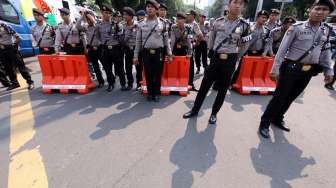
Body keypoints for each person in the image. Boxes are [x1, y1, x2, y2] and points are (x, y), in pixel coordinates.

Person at [258, 0, 335, 139]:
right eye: (317, 8)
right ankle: (265, 123)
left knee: (292, 96)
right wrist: (275, 69)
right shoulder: (296, 27)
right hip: (291, 68)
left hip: (308, 71)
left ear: (328, 13)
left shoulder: (327, 30)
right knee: (279, 97)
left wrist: (329, 70)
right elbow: (282, 50)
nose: (319, 12)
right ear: (311, 9)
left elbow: (326, 52)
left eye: (324, 9)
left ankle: (278, 118)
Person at [183, 0, 251, 124]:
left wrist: (236, 56)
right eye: (235, 2)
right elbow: (211, 38)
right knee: (204, 86)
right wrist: (211, 51)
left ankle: (214, 114)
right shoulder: (218, 22)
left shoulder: (245, 26)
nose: (237, 5)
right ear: (229, 4)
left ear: (243, 7)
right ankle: (195, 110)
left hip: (230, 61)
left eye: (241, 4)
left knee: (223, 89)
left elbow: (245, 44)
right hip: (216, 59)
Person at [133, 0, 173, 102]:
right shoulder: (141, 24)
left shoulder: (163, 23)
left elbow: (166, 41)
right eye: (147, 7)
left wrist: (169, 54)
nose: (149, 8)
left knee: (158, 74)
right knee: (148, 73)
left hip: (159, 53)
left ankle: (157, 93)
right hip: (146, 53)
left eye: (152, 7)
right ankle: (150, 93)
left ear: (156, 10)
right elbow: (138, 41)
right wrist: (135, 56)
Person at [97, 4, 127, 92]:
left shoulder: (117, 25)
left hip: (116, 49)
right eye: (105, 12)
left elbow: (121, 37)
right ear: (102, 13)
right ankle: (111, 83)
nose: (107, 15)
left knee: (120, 68)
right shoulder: (98, 25)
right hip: (105, 49)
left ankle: (123, 84)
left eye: (109, 13)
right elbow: (98, 36)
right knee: (107, 68)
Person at [0, 20, 34, 90]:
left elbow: (18, 37)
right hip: (2, 50)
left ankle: (30, 82)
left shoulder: (4, 25)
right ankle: (15, 83)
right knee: (8, 68)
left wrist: (14, 46)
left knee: (20, 66)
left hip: (11, 48)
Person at [81, 10, 105, 88]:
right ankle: (101, 81)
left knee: (105, 64)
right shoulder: (86, 27)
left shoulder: (98, 25)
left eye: (89, 19)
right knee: (95, 66)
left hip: (99, 48)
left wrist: (92, 18)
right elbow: (78, 26)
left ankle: (111, 79)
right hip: (91, 48)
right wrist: (83, 17)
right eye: (87, 19)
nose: (88, 20)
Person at [186, 10, 204, 91]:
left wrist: (195, 43)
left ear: (193, 16)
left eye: (189, 15)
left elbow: (200, 35)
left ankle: (190, 84)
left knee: (190, 65)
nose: (187, 16)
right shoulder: (186, 23)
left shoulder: (195, 24)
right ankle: (185, 82)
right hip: (184, 47)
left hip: (190, 47)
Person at [122, 7, 138, 90]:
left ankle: (139, 84)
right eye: (124, 15)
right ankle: (130, 84)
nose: (124, 16)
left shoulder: (138, 25)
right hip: (128, 49)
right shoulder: (123, 26)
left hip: (136, 49)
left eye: (126, 15)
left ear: (131, 16)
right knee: (128, 68)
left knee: (138, 68)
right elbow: (122, 38)